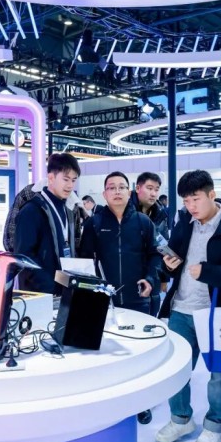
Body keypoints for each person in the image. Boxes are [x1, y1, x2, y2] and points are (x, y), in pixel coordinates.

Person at [155, 170, 221, 442]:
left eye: (195, 199)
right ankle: (181, 419)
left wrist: (208, 272)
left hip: (218, 310)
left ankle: (214, 426)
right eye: (186, 200)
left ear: (212, 194)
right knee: (177, 368)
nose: (191, 206)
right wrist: (169, 266)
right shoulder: (184, 221)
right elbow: (176, 259)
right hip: (182, 307)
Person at [78, 171, 162, 425]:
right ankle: (109, 400)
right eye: (111, 187)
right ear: (104, 194)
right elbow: (85, 260)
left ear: (129, 192)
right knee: (106, 352)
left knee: (138, 353)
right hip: (103, 300)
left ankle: (141, 403)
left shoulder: (143, 223)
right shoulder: (94, 224)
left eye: (121, 187)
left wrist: (150, 279)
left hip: (137, 297)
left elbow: (155, 255)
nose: (117, 191)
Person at [14, 153, 81, 295]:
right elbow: (24, 256)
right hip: (40, 294)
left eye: (73, 180)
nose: (70, 185)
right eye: (65, 179)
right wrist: (49, 287)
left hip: (63, 291)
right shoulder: (31, 210)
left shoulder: (68, 209)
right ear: (51, 178)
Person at [131, 172, 169, 313]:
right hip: (131, 275)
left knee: (151, 318)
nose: (153, 193)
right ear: (138, 188)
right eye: (149, 188)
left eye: (156, 189)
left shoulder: (160, 214)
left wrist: (164, 277)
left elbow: (164, 246)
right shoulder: (126, 211)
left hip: (153, 275)